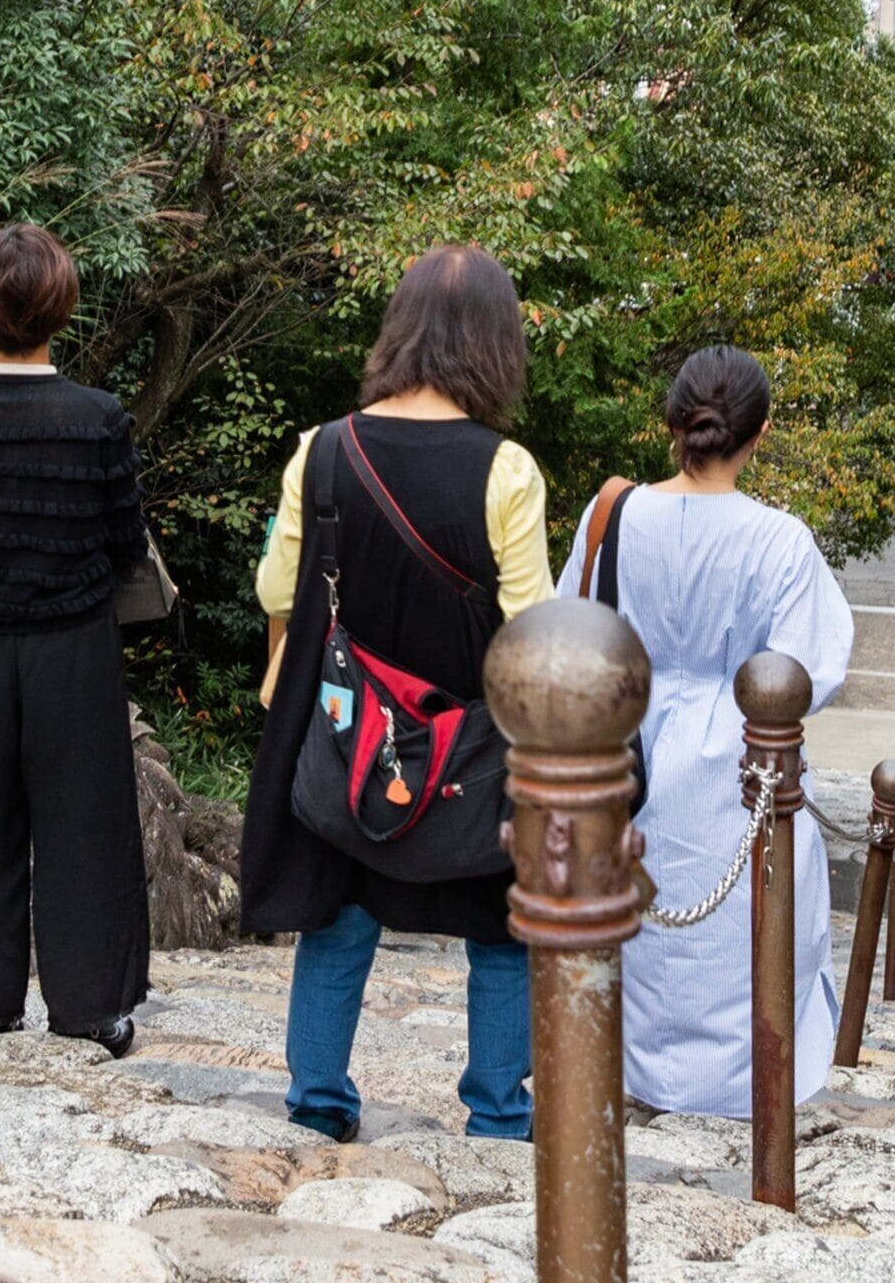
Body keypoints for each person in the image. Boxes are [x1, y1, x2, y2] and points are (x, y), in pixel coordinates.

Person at [241, 244, 556, 1142]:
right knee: (500, 929)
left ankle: (317, 1102)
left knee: (337, 919)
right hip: (470, 746)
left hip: (348, 736)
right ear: (495, 343)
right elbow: (528, 629)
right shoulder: (507, 470)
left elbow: (276, 591)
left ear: (400, 330)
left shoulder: (325, 449)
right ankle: (497, 1112)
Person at [564, 347, 853, 1118]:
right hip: (745, 764)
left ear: (673, 425)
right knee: (737, 933)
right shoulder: (780, 540)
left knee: (643, 925)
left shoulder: (614, 518)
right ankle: (742, 1089)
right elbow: (812, 669)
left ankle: (630, 1078)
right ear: (758, 432)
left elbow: (572, 633)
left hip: (631, 754)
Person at [0, 223, 151, 1053]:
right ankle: (90, 1006)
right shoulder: (96, 418)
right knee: (86, 822)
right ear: (61, 306)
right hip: (73, 640)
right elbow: (124, 543)